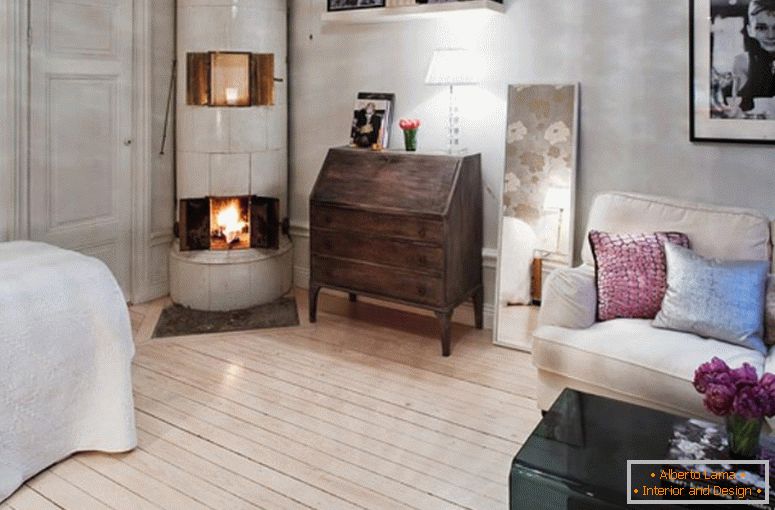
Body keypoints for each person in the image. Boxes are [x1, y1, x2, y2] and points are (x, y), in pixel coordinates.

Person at [730, 0, 775, 112]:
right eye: (761, 28)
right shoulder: (743, 62)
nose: (771, 35)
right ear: (750, 30)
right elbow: (739, 109)